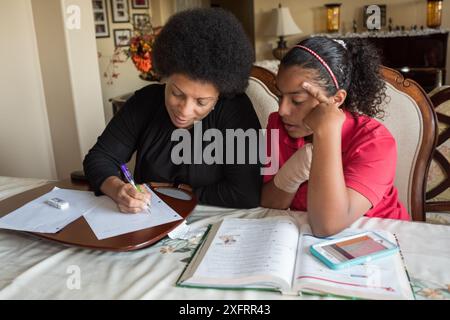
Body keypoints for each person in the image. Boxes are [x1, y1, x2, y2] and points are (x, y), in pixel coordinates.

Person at [83, 8, 262, 213]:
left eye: (201, 102)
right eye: (177, 93)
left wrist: (177, 195)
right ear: (166, 76)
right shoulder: (146, 101)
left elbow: (245, 193)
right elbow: (99, 157)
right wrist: (117, 189)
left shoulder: (235, 110)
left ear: (221, 94)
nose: (184, 111)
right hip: (147, 221)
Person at [261, 37, 409, 237]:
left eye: (297, 100)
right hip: (309, 240)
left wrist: (326, 132)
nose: (282, 110)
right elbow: (269, 202)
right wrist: (290, 176)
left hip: (383, 240)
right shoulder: (277, 124)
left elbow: (327, 226)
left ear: (336, 99)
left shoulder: (375, 141)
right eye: (280, 96)